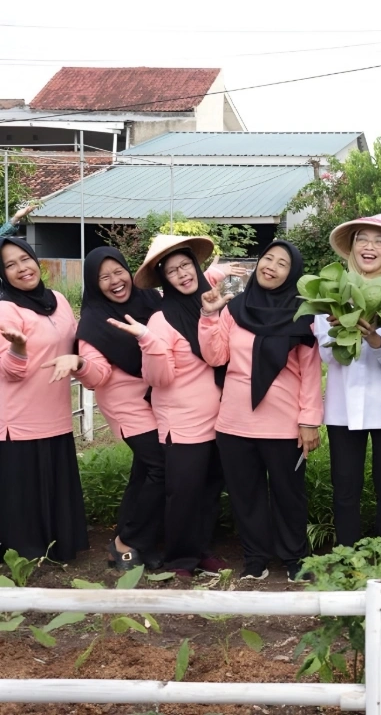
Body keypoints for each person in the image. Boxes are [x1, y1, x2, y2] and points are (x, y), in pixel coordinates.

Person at [199, 240, 322, 582]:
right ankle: (255, 559)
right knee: (245, 496)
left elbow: (310, 373)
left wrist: (309, 420)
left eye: (282, 263)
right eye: (268, 258)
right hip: (234, 422)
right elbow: (215, 357)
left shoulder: (302, 315)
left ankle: (296, 558)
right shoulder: (233, 307)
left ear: (292, 273)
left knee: (289, 496)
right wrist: (209, 316)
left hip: (283, 424)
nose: (271, 266)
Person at [111, 235, 233, 577]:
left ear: (196, 268)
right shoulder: (160, 321)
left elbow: (218, 356)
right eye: (172, 271)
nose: (182, 274)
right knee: (184, 494)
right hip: (181, 422)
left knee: (210, 490)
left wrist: (210, 317)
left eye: (185, 266)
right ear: (164, 279)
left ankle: (201, 550)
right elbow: (159, 378)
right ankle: (179, 560)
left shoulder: (209, 303)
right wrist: (148, 342)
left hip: (219, 417)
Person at [53, 247, 164, 571]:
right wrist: (79, 362)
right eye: (104, 277)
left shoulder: (148, 300)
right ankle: (127, 542)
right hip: (126, 405)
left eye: (119, 271)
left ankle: (135, 540)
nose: (115, 281)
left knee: (144, 472)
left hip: (157, 397)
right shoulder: (93, 323)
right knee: (162, 467)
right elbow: (97, 376)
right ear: (93, 283)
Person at [319, 215, 381, 564]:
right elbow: (326, 352)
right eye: (363, 239)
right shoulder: (331, 292)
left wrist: (373, 335)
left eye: (380, 241)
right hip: (343, 406)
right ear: (353, 247)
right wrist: (341, 326)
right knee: (345, 486)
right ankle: (348, 558)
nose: (370, 247)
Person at [0, 236, 88, 562]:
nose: (22, 268)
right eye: (10, 265)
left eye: (25, 258)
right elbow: (9, 371)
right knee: (22, 493)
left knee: (55, 486)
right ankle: (24, 556)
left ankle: (58, 547)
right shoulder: (4, 307)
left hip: (56, 414)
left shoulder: (60, 300)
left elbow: (77, 341)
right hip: (18, 418)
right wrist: (19, 348)